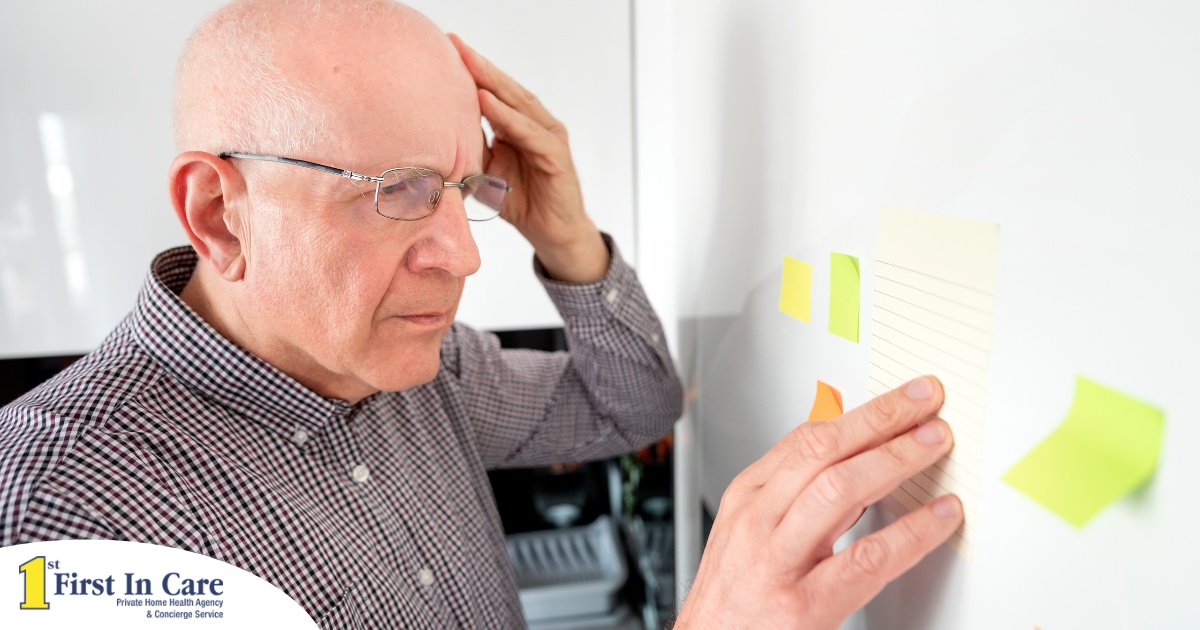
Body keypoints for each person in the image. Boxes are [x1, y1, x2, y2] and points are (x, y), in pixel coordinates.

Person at [0, 1, 962, 628]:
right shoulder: (65, 516)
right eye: (402, 190)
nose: (462, 253)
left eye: (465, 189)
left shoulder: (421, 371)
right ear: (220, 214)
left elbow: (632, 406)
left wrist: (568, 235)